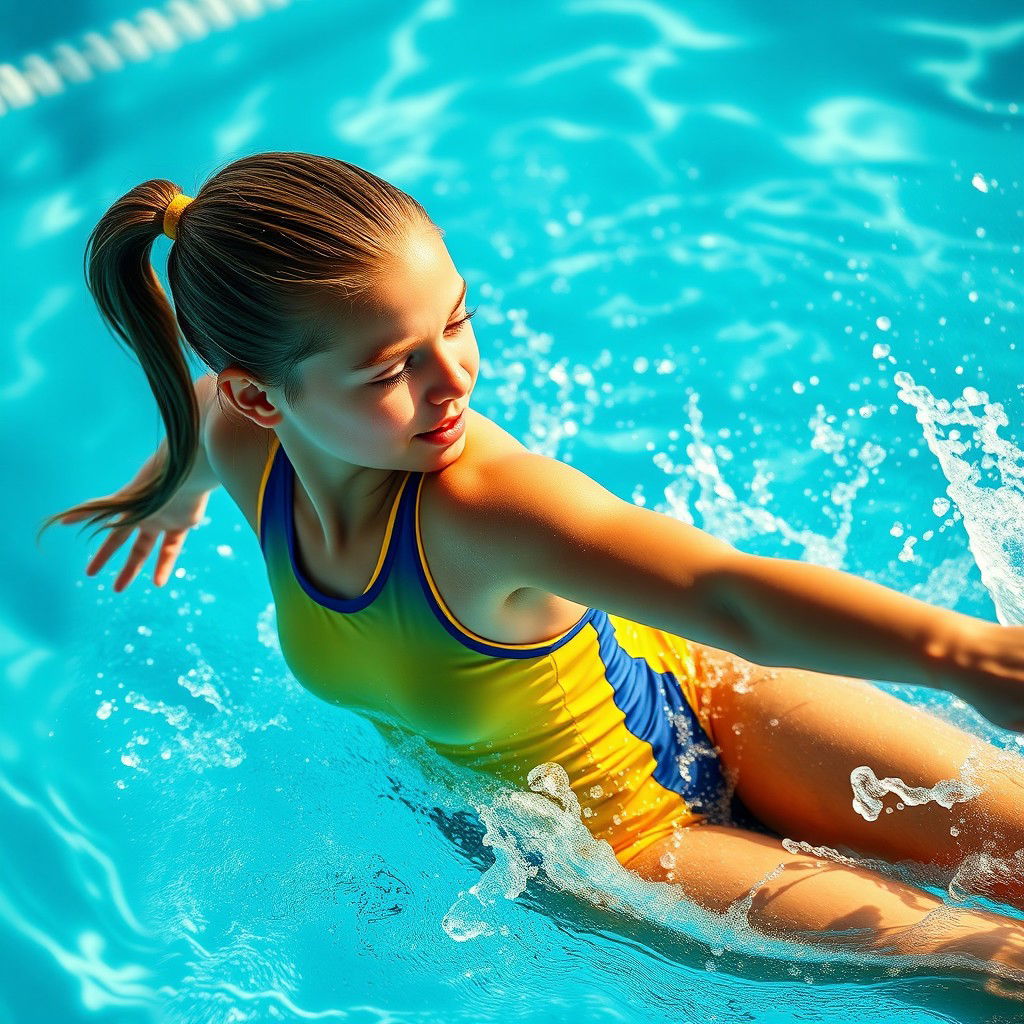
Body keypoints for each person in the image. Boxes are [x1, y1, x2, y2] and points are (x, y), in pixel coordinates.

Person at [45, 152, 1024, 987]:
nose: (454, 379)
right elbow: (197, 428)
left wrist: (962, 655)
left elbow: (725, 594)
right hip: (628, 850)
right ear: (263, 399)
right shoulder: (234, 438)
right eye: (390, 370)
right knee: (988, 965)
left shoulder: (481, 505)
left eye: (456, 322)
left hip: (712, 692)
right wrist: (171, 498)